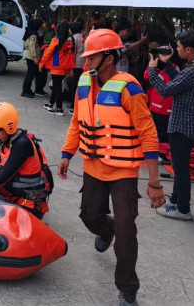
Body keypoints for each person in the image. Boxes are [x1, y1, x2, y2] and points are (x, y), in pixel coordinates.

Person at [58, 28, 165, 306]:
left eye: (93, 56)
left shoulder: (129, 87)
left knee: (127, 231)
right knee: (89, 217)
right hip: (93, 166)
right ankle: (107, 229)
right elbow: (76, 122)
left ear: (109, 57)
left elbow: (148, 134)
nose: (87, 61)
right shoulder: (83, 82)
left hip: (124, 171)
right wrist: (67, 153)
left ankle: (128, 289)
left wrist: (154, 182)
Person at [147, 30, 194, 221]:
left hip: (182, 125)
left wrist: (153, 68)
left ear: (190, 50)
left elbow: (166, 90)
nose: (177, 50)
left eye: (179, 47)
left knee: (181, 168)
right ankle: (175, 200)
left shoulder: (193, 70)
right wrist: (167, 64)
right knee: (179, 165)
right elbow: (179, 81)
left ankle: (183, 209)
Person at [40, 21, 74, 116]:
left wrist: (41, 64)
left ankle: (59, 109)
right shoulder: (70, 39)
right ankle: (51, 104)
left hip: (56, 66)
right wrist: (71, 68)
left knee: (57, 87)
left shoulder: (56, 38)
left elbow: (48, 52)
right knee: (57, 86)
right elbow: (71, 55)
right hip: (65, 67)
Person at [21, 18, 41, 98]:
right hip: (31, 57)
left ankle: (27, 90)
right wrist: (35, 57)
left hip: (30, 56)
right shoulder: (33, 35)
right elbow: (32, 46)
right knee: (30, 74)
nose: (40, 27)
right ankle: (25, 91)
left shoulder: (31, 32)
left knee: (31, 74)